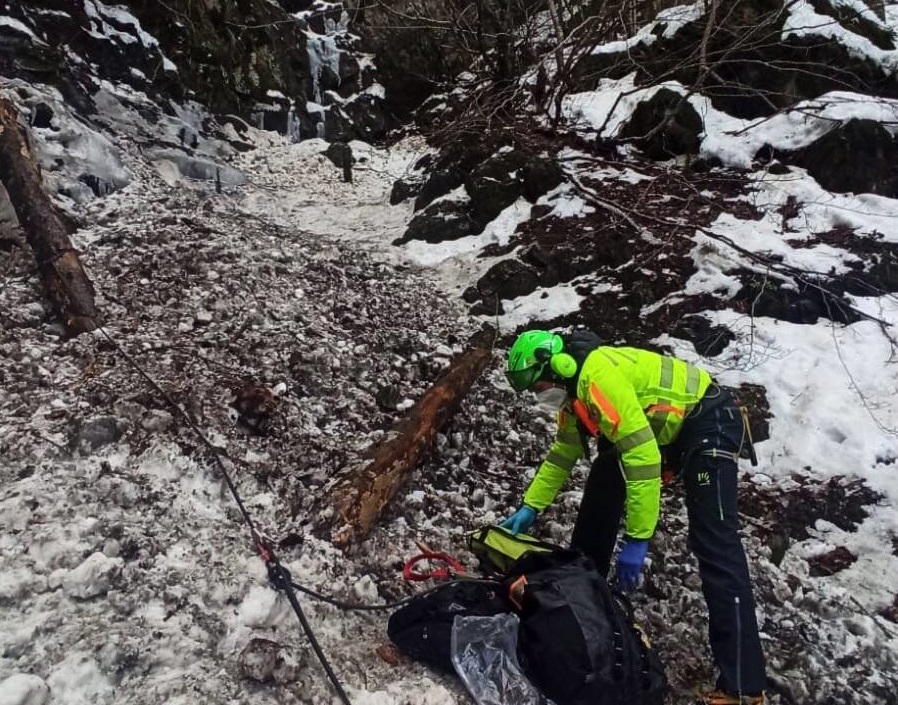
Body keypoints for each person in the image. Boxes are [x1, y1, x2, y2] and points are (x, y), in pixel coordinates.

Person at [499, 328, 766, 705]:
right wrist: (531, 506)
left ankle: (744, 687)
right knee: (604, 480)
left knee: (715, 544)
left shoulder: (596, 378)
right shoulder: (574, 396)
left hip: (708, 420)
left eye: (539, 386)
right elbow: (562, 456)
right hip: (669, 430)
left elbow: (643, 459)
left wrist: (638, 539)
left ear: (557, 366)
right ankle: (583, 599)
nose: (539, 395)